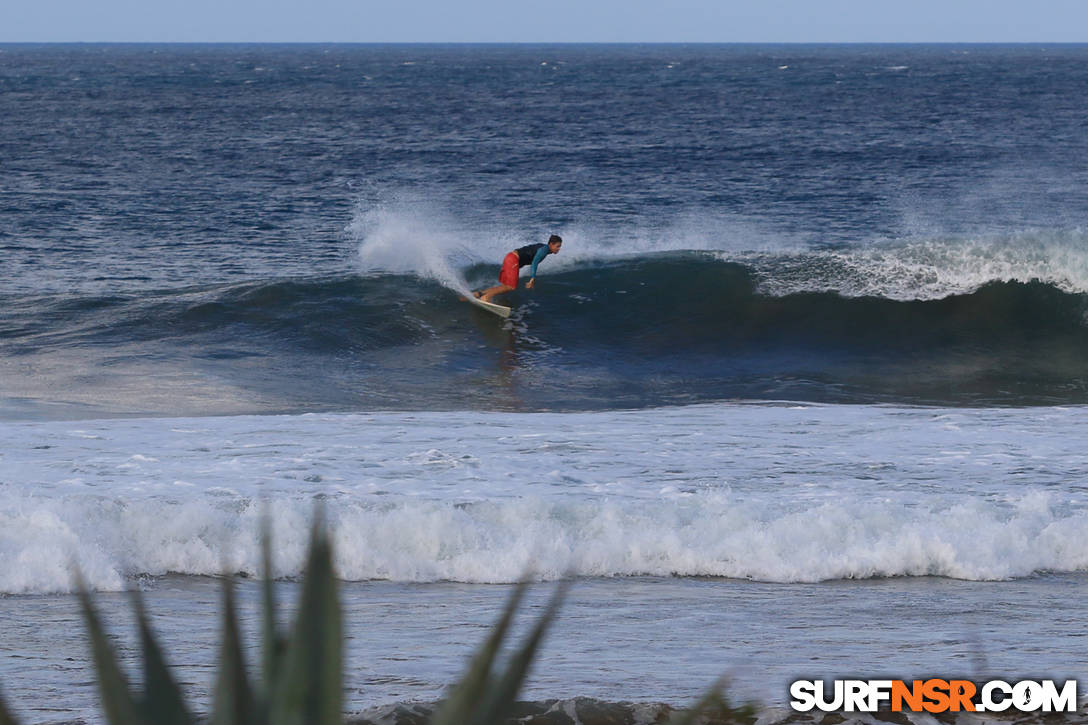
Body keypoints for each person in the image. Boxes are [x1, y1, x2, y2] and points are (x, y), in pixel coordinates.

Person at [476, 234, 562, 303]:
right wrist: (532, 278)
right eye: (557, 246)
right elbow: (534, 262)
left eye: (560, 246)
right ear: (551, 244)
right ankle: (486, 297)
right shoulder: (544, 250)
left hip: (510, 258)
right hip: (513, 260)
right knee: (511, 287)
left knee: (505, 287)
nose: (559, 249)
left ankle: (479, 293)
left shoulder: (544, 248)